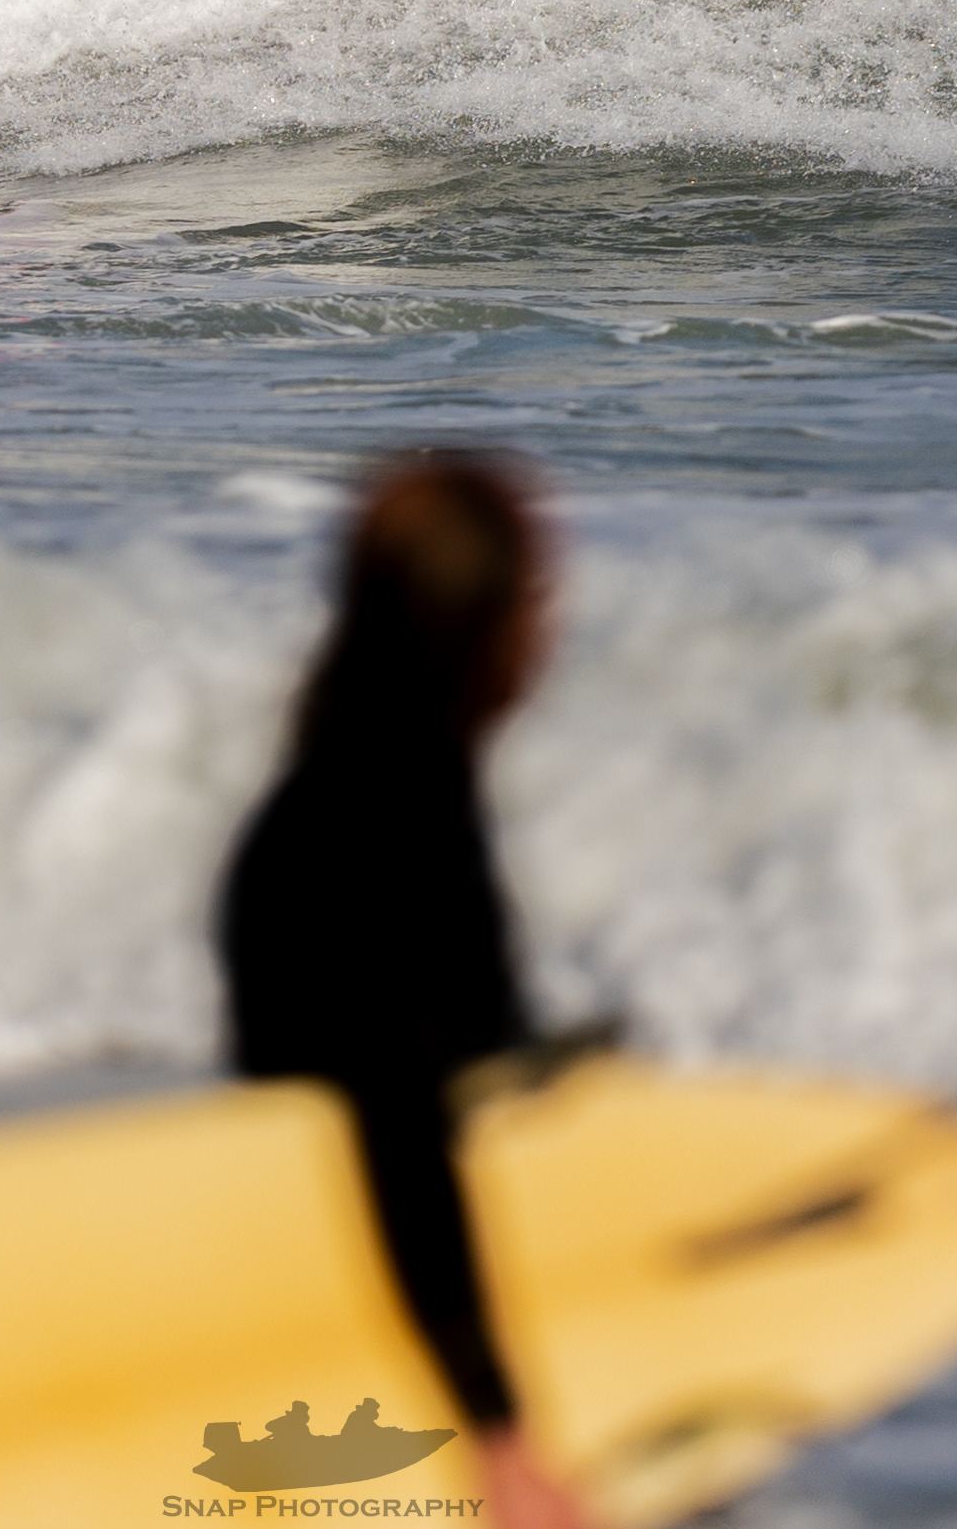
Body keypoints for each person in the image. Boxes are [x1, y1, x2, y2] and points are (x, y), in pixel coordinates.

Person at [219, 457, 586, 1529]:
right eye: (539, 597)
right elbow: (392, 1104)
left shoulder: (327, 796)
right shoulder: (395, 818)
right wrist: (497, 1430)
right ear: (487, 619)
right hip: (398, 1302)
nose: (551, 628)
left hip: (334, 1281)